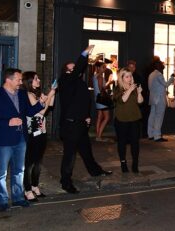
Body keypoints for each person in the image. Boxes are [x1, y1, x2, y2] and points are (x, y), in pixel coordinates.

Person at [0, 68, 45, 211]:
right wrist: (7, 122)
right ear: (8, 80)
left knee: (19, 171)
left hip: (21, 139)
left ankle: (17, 198)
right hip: (3, 141)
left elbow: (29, 112)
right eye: (18, 80)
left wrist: (40, 103)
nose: (20, 82)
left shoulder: (22, 94)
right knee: (1, 173)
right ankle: (2, 201)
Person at [57, 45, 112, 194]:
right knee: (70, 155)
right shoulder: (65, 81)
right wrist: (84, 54)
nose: (75, 70)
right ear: (67, 72)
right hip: (70, 125)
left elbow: (82, 102)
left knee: (86, 151)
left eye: (75, 68)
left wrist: (87, 116)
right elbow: (77, 70)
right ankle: (65, 182)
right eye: (72, 68)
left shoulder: (79, 83)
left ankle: (95, 171)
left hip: (80, 123)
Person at [21, 71, 56, 202]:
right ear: (30, 81)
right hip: (32, 134)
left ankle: (35, 186)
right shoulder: (29, 94)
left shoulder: (37, 94)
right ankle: (27, 189)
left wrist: (52, 94)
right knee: (29, 163)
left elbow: (49, 106)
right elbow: (41, 111)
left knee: (38, 162)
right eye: (36, 78)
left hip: (42, 132)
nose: (39, 80)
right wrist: (49, 96)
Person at [113, 68, 144, 173]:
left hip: (134, 118)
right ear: (122, 78)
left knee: (135, 143)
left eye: (130, 76)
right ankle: (123, 163)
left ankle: (135, 164)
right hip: (122, 119)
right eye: (127, 76)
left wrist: (139, 93)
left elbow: (140, 102)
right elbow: (122, 100)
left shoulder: (134, 88)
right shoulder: (118, 88)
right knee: (122, 143)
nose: (130, 78)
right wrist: (130, 90)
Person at [147, 59, 169, 142]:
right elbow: (165, 84)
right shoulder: (159, 74)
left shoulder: (151, 74)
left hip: (152, 98)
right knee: (159, 117)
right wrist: (172, 78)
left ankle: (150, 134)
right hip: (159, 99)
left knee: (152, 116)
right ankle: (157, 135)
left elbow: (151, 87)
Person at [92, 62, 111, 142]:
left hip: (97, 98)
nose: (105, 68)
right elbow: (101, 89)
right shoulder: (100, 77)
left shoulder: (94, 76)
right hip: (102, 99)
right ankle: (99, 136)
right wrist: (110, 82)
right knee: (107, 117)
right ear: (99, 68)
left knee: (99, 116)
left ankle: (97, 135)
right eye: (103, 67)